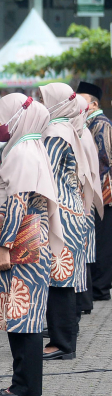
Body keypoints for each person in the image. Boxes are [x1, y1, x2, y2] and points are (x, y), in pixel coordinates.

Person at [0, 94, 63, 396]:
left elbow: (17, 203)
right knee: (24, 315)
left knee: (24, 318)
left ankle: (24, 386)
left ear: (18, 118)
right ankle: (23, 383)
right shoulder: (31, 146)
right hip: (32, 238)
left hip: (22, 242)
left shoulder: (21, 152)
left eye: (0, 117)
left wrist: (4, 247)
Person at [38, 82, 86, 361]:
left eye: (44, 99)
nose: (41, 104)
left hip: (61, 214)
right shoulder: (65, 126)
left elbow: (46, 172)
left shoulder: (55, 132)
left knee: (60, 281)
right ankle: (65, 338)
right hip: (70, 210)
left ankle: (62, 343)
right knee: (63, 280)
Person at [77, 81, 112, 301]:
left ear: (93, 103)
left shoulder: (101, 123)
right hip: (96, 190)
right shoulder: (88, 122)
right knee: (97, 239)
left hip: (104, 192)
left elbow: (105, 157)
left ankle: (101, 288)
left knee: (103, 240)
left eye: (82, 101)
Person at [71, 96, 101, 320]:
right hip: (82, 199)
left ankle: (82, 302)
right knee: (83, 254)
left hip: (80, 200)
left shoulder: (80, 132)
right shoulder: (81, 129)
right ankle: (83, 302)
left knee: (81, 255)